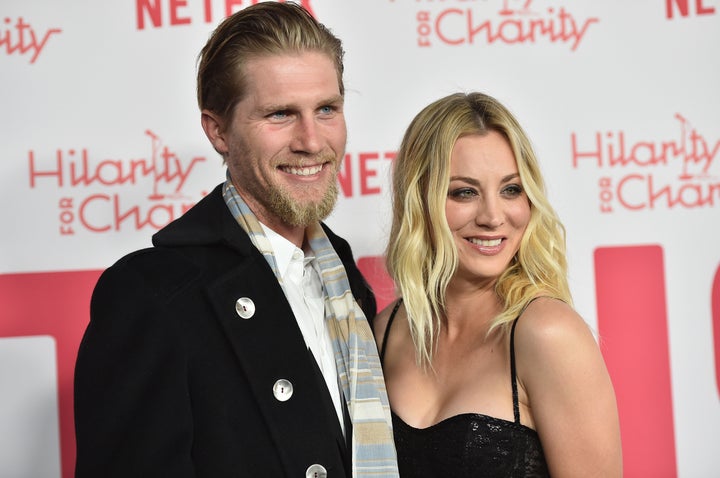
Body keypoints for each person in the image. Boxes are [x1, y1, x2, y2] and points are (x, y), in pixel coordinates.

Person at [74, 3, 398, 477]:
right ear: (218, 130)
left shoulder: (342, 273)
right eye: (280, 114)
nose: (312, 140)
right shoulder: (153, 294)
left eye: (326, 109)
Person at [372, 92, 622, 477]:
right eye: (464, 192)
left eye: (511, 189)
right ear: (420, 199)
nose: (493, 216)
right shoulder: (386, 330)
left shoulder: (547, 334)